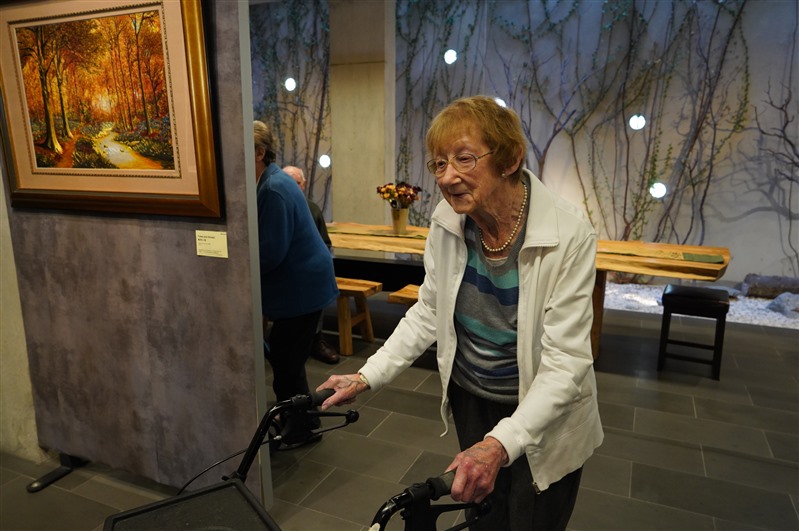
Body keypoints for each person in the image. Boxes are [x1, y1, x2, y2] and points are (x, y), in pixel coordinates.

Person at [316, 96, 602, 530]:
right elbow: (429, 310)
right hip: (473, 397)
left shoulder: (569, 233)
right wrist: (366, 375)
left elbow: (567, 362)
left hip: (543, 406)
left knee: (534, 515)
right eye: (439, 163)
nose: (447, 177)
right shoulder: (448, 221)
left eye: (464, 159)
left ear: (509, 159)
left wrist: (500, 444)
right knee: (483, 514)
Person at [254, 121, 339, 448]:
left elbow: (271, 251)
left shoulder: (272, 188)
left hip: (302, 289)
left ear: (260, 152)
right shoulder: (271, 181)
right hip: (304, 286)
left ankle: (301, 429)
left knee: (286, 364)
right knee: (288, 362)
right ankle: (301, 420)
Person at [283, 165, 340, 365]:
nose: (292, 187)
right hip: (281, 269)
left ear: (304, 185)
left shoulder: (312, 209)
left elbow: (325, 244)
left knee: (319, 279)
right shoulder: (272, 206)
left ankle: (315, 338)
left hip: (306, 269)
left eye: (296, 183)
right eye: (287, 183)